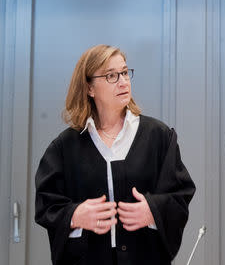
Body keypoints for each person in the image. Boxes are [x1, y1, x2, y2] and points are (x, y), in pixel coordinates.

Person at [35, 44, 196, 265]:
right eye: (111, 75)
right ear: (90, 88)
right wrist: (75, 215)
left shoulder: (159, 136)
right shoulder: (65, 146)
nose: (123, 81)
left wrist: (153, 210)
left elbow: (181, 195)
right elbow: (46, 205)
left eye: (124, 72)